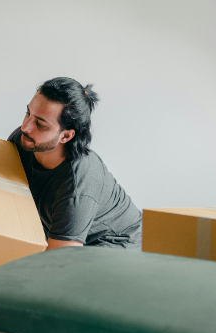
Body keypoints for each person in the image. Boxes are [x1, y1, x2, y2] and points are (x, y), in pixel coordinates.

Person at [8, 77, 141, 250]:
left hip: (117, 244)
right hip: (71, 235)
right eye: (28, 113)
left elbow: (61, 261)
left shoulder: (77, 186)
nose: (26, 127)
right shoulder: (24, 140)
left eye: (40, 124)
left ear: (66, 136)